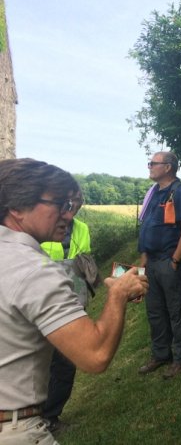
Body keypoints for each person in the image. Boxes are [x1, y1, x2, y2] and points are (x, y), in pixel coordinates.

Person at [0, 158, 147, 444]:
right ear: (16, 207)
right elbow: (95, 355)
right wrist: (117, 294)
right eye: (61, 204)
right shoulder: (34, 270)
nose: (69, 215)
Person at [138, 151, 181, 379]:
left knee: (176, 309)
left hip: (167, 261)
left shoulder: (180, 192)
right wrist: (143, 259)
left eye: (154, 163)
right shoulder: (154, 192)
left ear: (168, 167)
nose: (150, 166)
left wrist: (175, 261)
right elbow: (147, 227)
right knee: (154, 310)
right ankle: (161, 354)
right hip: (151, 261)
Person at [40, 192, 90, 433]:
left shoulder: (81, 228)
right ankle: (32, 417)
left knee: (66, 360)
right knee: (38, 360)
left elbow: (84, 262)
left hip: (71, 298)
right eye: (69, 201)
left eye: (78, 202)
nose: (73, 207)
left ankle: (51, 416)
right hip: (41, 297)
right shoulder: (39, 225)